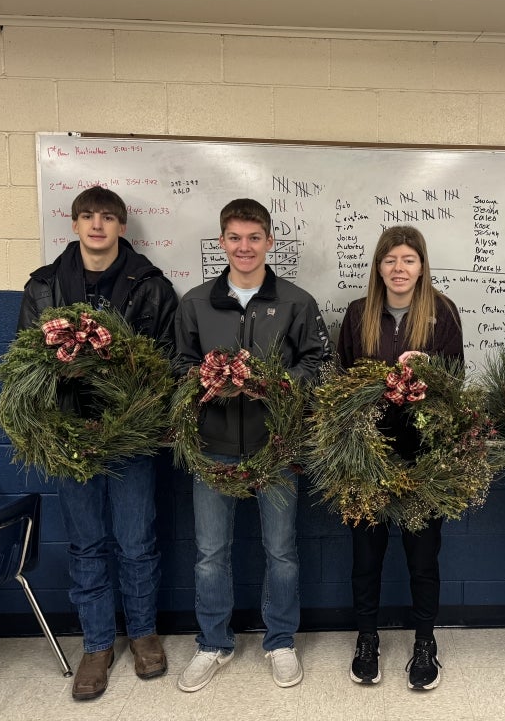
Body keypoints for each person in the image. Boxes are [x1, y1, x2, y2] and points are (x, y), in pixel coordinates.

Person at [16, 186, 178, 701]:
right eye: (88, 217)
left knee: (136, 542)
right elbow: (25, 361)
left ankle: (144, 633)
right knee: (87, 544)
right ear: (75, 224)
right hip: (71, 435)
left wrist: (130, 402)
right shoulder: (43, 287)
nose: (97, 226)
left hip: (130, 436)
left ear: (122, 227)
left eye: (108, 218)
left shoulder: (152, 287)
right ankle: (97, 643)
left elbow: (168, 362)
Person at [174, 198, 331, 693]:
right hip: (213, 446)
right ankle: (213, 643)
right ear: (221, 242)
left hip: (277, 447)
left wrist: (275, 384)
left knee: (281, 550)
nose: (245, 247)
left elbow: (317, 362)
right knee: (209, 553)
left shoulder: (296, 301)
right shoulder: (195, 302)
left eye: (254, 237)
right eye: (235, 238)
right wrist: (209, 384)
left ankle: (280, 640)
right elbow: (179, 367)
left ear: (269, 242)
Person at [336, 225, 464, 691]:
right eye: (390, 260)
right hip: (366, 457)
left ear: (422, 265)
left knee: (422, 557)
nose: (399, 269)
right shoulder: (356, 314)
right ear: (378, 267)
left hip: (423, 457)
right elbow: (341, 386)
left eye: (408, 259)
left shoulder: (442, 314)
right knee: (366, 556)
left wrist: (425, 375)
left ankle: (425, 642)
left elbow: (454, 387)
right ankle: (366, 638)